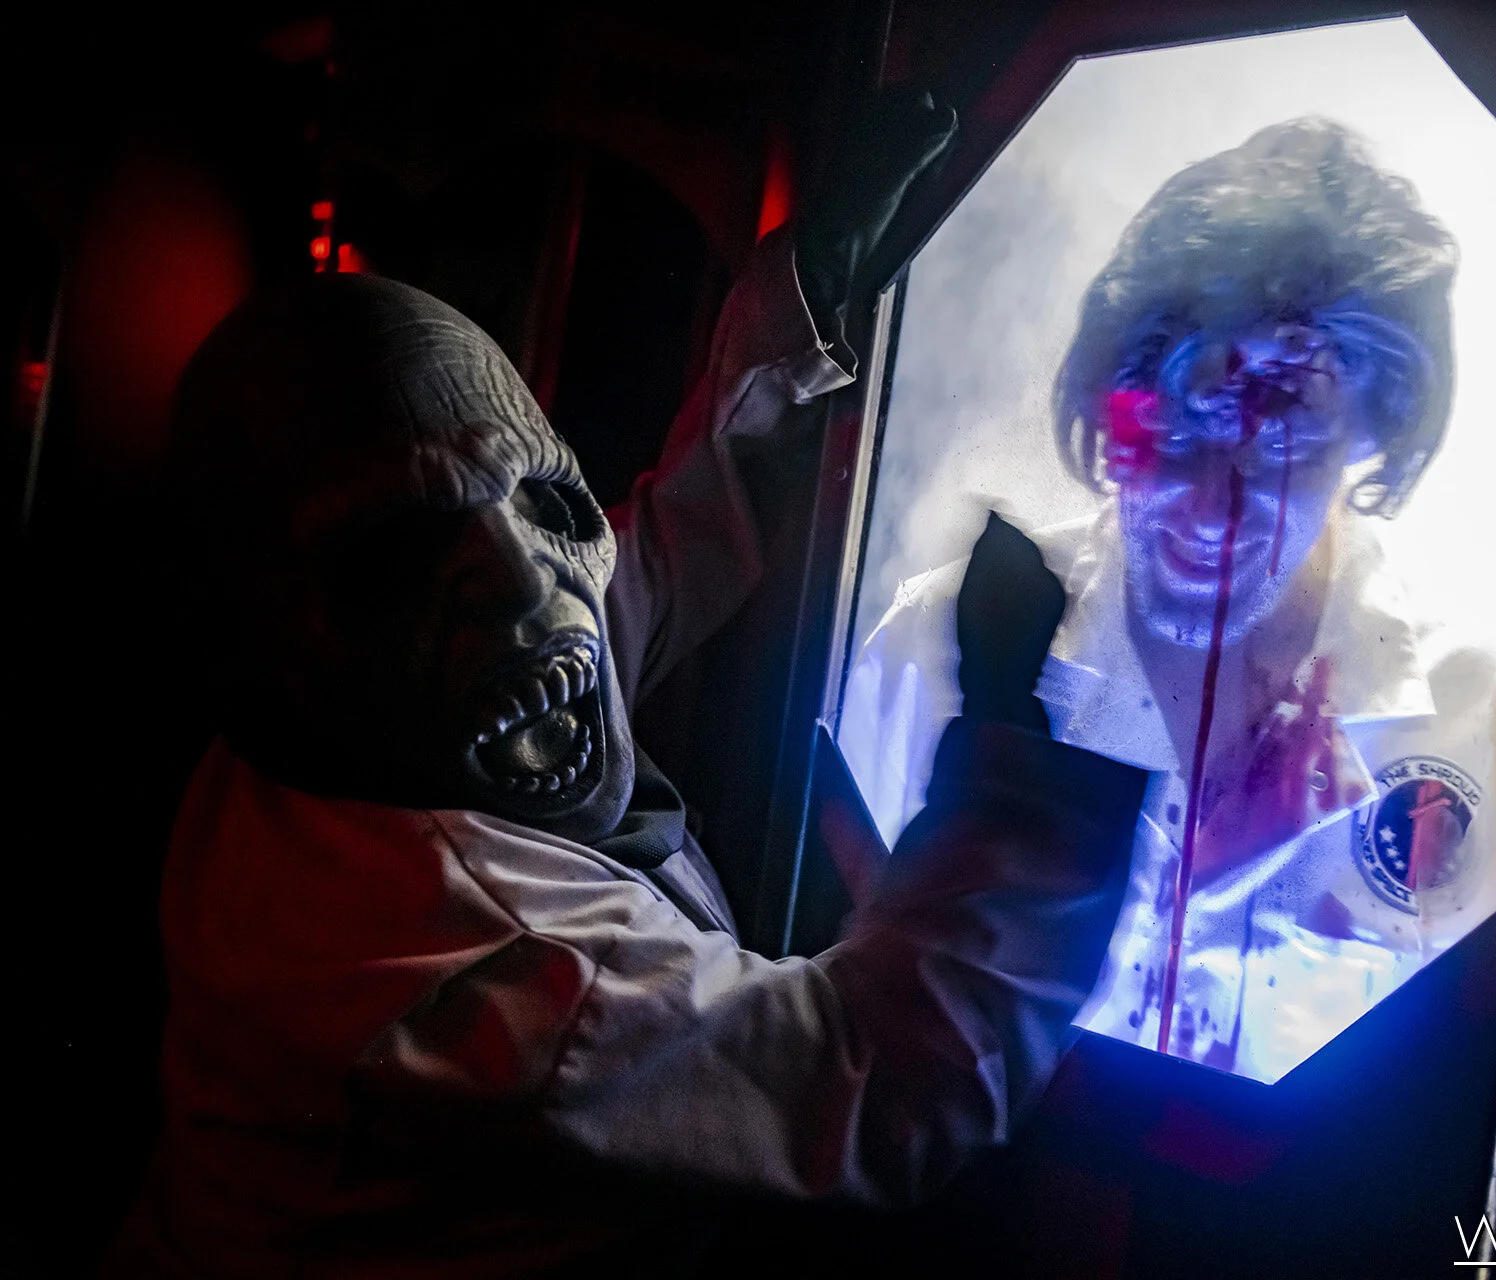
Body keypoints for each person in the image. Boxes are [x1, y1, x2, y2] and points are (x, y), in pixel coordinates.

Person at [108, 95, 1149, 1276]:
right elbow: (882, 1080)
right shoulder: (480, 973)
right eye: (402, 560)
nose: (526, 585)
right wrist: (1012, 740)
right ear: (256, 651)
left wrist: (802, 291)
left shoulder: (345, 724)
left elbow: (659, 548)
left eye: (543, 501)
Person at [840, 119, 1496, 1084]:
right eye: (1175, 420)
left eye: (1278, 433)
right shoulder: (926, 660)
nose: (1207, 500)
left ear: (1374, 425)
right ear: (1110, 396)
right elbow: (854, 1035)